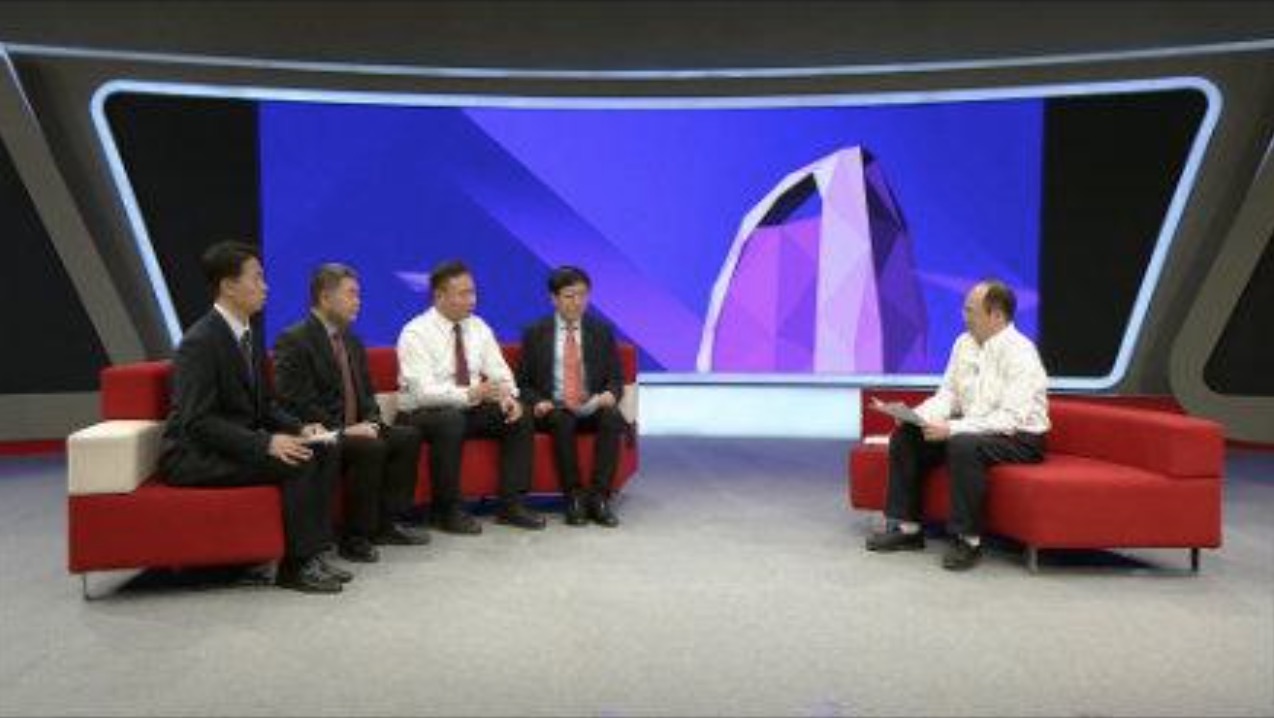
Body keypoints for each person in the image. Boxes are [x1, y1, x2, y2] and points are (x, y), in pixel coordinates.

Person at [159, 241, 345, 593]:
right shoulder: (201, 342)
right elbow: (197, 421)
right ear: (229, 286)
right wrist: (266, 443)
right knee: (298, 460)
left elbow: (265, 405)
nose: (266, 287)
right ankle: (295, 567)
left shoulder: (248, 334)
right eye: (257, 278)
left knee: (320, 446)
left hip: (234, 443)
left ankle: (314, 552)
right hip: (195, 456)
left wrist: (299, 427)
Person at [864, 279, 1050, 571]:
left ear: (996, 316)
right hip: (975, 428)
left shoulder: (1021, 353)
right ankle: (908, 530)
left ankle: (968, 540)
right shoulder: (963, 344)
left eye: (970, 310)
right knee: (908, 435)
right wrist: (915, 415)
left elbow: (1010, 419)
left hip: (1020, 438)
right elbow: (948, 395)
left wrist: (951, 429)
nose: (964, 316)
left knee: (963, 444)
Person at [273, 263, 429, 565]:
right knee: (370, 447)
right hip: (321, 433)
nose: (358, 301)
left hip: (357, 428)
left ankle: (387, 524)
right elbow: (296, 403)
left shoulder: (351, 340)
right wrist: (345, 430)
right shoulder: (294, 339)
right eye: (351, 294)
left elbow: (367, 393)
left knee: (407, 437)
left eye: (359, 295)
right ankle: (355, 537)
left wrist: (372, 420)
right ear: (325, 297)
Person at [394, 260, 546, 534]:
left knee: (518, 416)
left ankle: (511, 505)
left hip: (469, 408)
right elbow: (423, 393)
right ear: (439, 296)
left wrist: (507, 397)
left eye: (473, 292)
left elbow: (500, 372)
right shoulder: (415, 333)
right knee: (450, 420)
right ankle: (447, 510)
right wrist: (470, 393)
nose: (472, 300)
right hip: (421, 414)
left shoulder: (478, 327)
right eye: (463, 293)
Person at [517, 266, 628, 527]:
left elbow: (616, 378)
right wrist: (537, 402)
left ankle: (599, 497)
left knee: (612, 417)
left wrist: (610, 394)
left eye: (582, 295)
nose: (577, 302)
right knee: (562, 420)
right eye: (569, 296)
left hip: (591, 405)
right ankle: (574, 497)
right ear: (554, 299)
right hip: (554, 408)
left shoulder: (601, 331)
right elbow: (522, 383)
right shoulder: (535, 332)